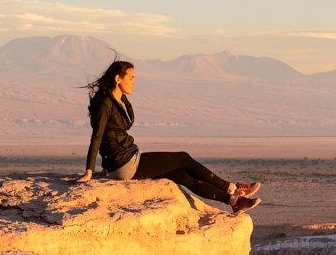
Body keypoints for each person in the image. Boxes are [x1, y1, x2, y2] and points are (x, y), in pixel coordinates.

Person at [71, 60, 261, 214]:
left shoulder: (116, 100)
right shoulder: (104, 103)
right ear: (118, 78)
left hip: (124, 161)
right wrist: (89, 170)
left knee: (182, 176)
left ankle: (233, 201)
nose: (134, 82)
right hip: (125, 163)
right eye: (131, 78)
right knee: (183, 158)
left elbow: (113, 133)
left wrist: (105, 168)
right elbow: (97, 136)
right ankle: (232, 188)